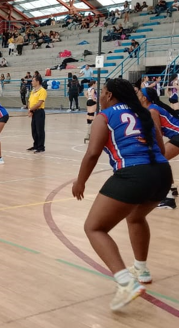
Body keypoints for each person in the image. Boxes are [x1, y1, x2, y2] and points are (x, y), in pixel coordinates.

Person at [72, 78, 171, 311]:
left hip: (133, 174)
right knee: (136, 217)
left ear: (109, 95)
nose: (100, 97)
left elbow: (92, 153)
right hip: (162, 174)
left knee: (94, 227)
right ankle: (142, 269)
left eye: (103, 92)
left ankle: (126, 282)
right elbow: (161, 148)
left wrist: (80, 182)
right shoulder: (146, 113)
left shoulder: (104, 116)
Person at [137, 87, 179, 210]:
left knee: (158, 162)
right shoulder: (150, 109)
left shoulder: (152, 110)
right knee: (162, 160)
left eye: (138, 93)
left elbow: (157, 132)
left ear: (144, 98)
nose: (135, 95)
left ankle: (168, 199)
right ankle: (172, 188)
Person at [27, 75, 47, 153]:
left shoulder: (42, 91)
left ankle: (41, 146)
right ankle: (35, 145)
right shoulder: (33, 90)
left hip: (39, 112)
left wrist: (30, 109)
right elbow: (29, 101)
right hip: (33, 112)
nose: (32, 82)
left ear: (38, 82)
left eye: (33, 81)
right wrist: (30, 110)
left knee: (40, 130)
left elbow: (39, 103)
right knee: (34, 130)